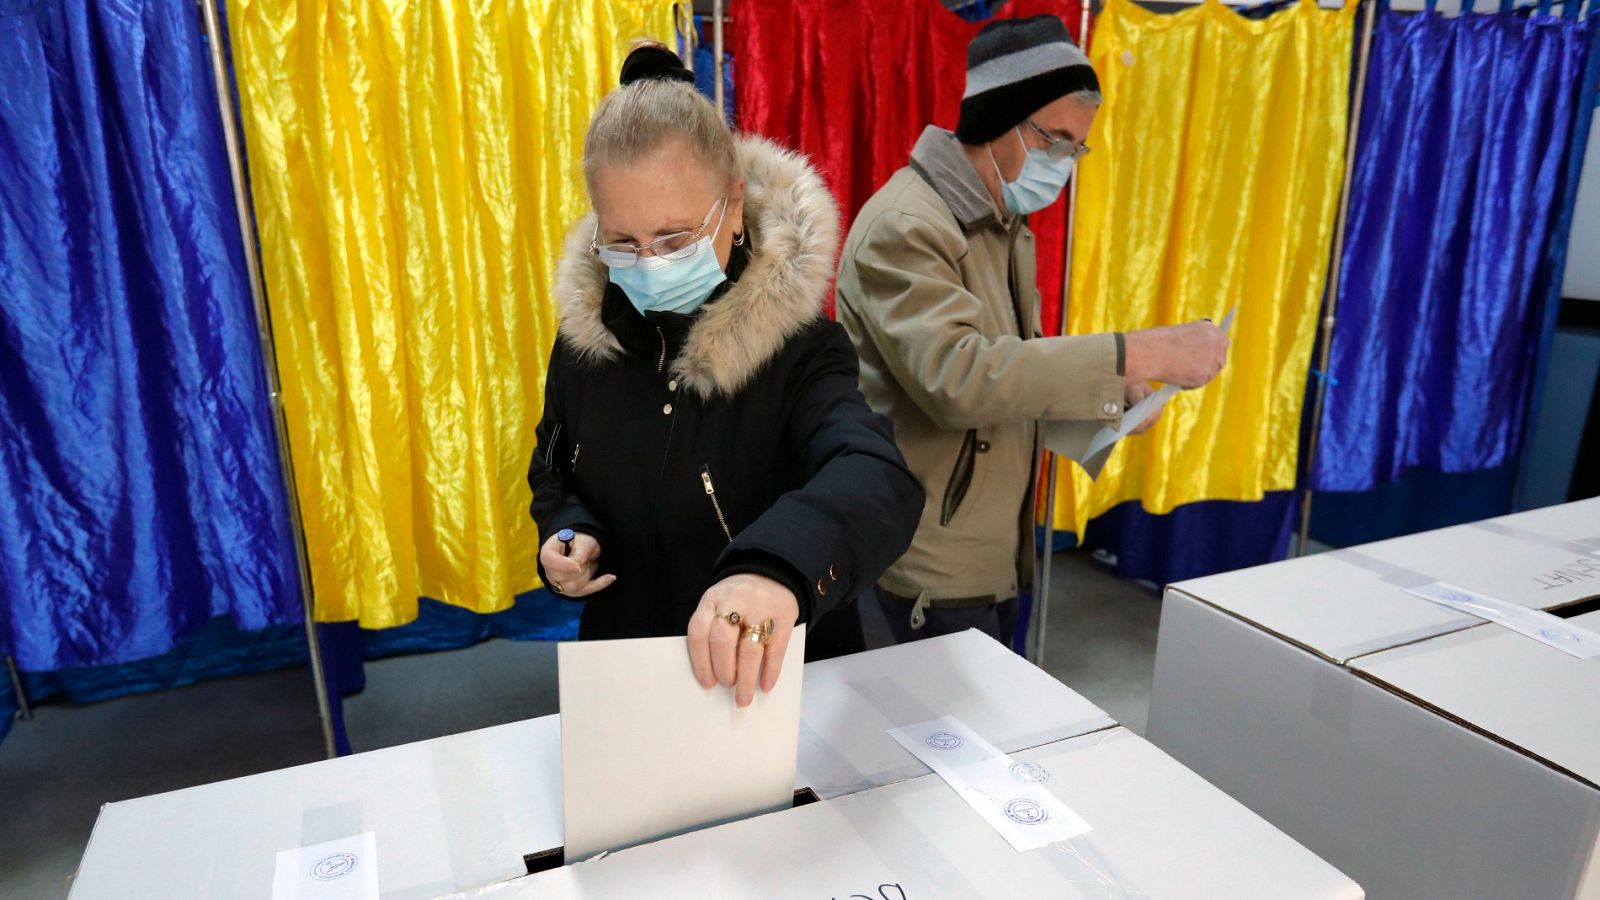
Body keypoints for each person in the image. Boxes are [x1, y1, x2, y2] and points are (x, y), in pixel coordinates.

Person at [528, 44, 922, 706]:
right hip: (630, 676)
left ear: (734, 205)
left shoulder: (800, 349)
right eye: (621, 243)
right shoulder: (585, 345)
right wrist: (568, 529)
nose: (649, 263)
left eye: (676, 238)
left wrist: (775, 569)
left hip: (767, 686)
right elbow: (553, 460)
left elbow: (874, 474)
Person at [835, 16, 1229, 645]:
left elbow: (1014, 369)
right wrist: (1134, 354)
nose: (1064, 162)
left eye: (1077, 148)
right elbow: (959, 379)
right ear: (1002, 117)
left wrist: (1108, 401)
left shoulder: (1001, 223)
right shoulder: (908, 225)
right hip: (925, 561)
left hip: (991, 546)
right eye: (1055, 139)